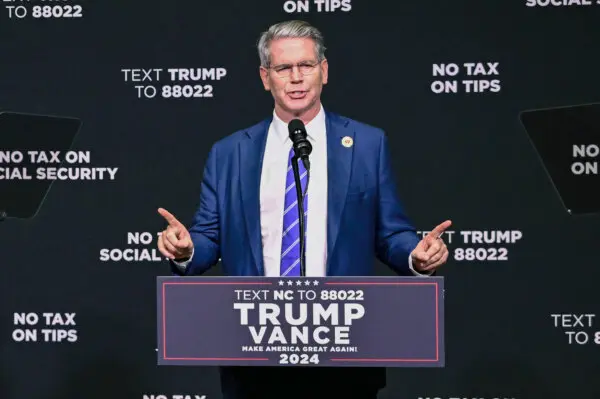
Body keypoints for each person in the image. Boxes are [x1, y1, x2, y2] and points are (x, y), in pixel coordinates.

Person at [157, 20, 451, 399]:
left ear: (324, 71)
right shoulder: (230, 152)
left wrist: (416, 255)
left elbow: (389, 232)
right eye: (283, 68)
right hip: (255, 349)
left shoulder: (366, 144)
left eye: (306, 66)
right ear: (266, 77)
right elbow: (209, 237)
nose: (296, 78)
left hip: (344, 349)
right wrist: (186, 250)